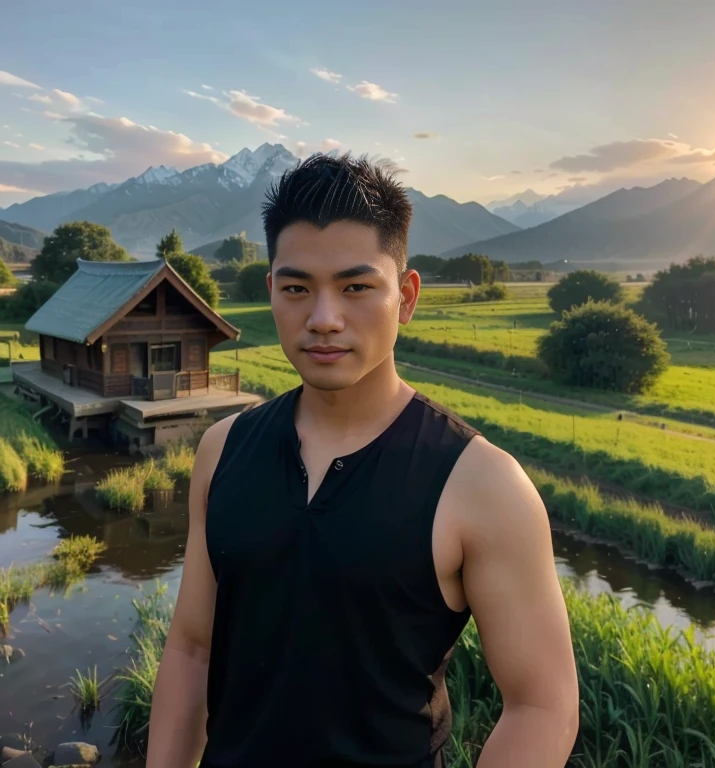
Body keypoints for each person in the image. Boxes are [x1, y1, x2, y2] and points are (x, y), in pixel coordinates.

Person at [145, 153, 579, 768]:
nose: (323, 319)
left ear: (405, 296)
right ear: (271, 291)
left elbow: (543, 706)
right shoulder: (223, 450)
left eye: (355, 287)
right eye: (297, 288)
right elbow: (192, 649)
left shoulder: (480, 485)